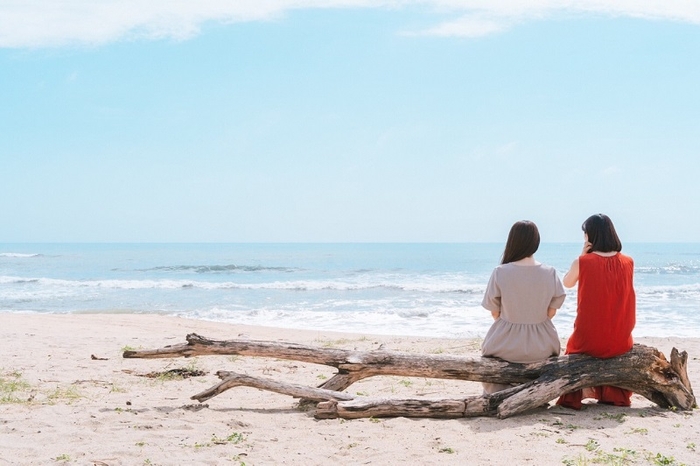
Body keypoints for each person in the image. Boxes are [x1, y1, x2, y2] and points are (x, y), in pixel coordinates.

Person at [556, 214, 636, 410]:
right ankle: (614, 396)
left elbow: (567, 282)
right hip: (621, 340)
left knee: (573, 348)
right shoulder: (628, 262)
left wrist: (583, 255)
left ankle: (573, 397)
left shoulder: (583, 261)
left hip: (588, 340)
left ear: (590, 236)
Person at [481, 220, 566, 394]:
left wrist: (512, 325)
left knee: (488, 359)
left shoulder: (500, 271)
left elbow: (495, 312)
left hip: (505, 344)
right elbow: (551, 312)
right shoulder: (550, 272)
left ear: (512, 241)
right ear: (536, 242)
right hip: (543, 344)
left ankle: (502, 391)